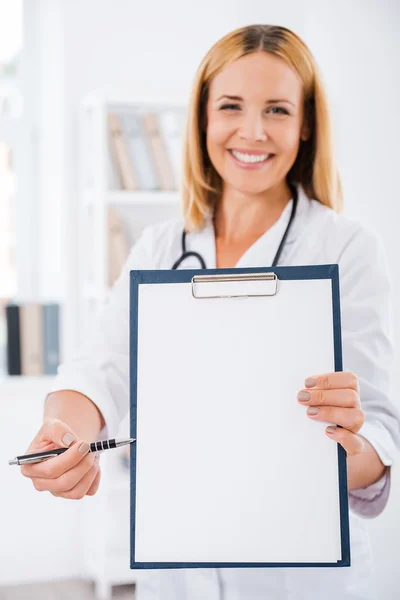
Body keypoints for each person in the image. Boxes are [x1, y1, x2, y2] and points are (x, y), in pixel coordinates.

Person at [20, 24, 400, 600]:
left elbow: (378, 435)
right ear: (202, 119)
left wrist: (343, 445)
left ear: (305, 126)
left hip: (299, 578)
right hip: (175, 574)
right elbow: (103, 368)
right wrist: (64, 433)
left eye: (276, 109)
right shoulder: (159, 248)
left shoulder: (346, 248)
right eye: (231, 106)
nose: (253, 131)